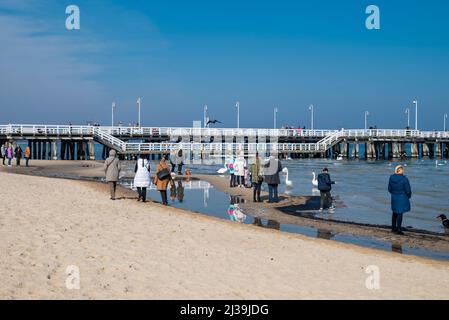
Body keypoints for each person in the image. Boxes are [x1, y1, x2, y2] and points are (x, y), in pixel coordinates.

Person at [388, 165, 412, 235]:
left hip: (394, 197)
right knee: (400, 213)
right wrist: (408, 196)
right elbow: (408, 190)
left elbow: (389, 189)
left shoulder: (391, 177)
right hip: (402, 197)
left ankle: (393, 228)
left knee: (394, 212)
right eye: (402, 170)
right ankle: (398, 229)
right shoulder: (404, 179)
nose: (403, 171)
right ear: (400, 170)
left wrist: (394, 193)